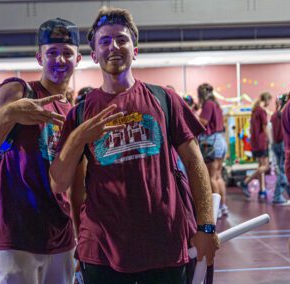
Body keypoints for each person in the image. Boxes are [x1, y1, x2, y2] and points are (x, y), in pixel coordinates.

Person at [50, 7, 219, 283]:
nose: (113, 46)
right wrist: (79, 137)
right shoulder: (79, 114)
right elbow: (59, 184)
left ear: (135, 50)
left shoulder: (164, 99)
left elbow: (194, 162)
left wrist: (207, 227)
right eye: (104, 41)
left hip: (164, 246)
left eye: (121, 39)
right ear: (93, 55)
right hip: (102, 253)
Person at [0, 18, 81, 283]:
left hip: (59, 231)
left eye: (67, 53)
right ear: (39, 57)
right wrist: (11, 111)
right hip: (14, 229)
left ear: (78, 59)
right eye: (52, 53)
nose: (59, 60)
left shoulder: (72, 111)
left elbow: (75, 182)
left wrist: (80, 232)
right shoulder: (17, 90)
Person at [197, 83, 229, 217]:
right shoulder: (216, 104)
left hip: (212, 142)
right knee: (218, 176)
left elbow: (203, 121)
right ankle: (223, 207)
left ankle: (217, 209)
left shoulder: (208, 104)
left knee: (211, 178)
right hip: (220, 140)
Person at [240, 92, 272, 201]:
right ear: (266, 100)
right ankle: (245, 182)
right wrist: (271, 140)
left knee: (260, 166)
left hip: (255, 142)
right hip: (262, 141)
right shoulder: (262, 112)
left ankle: (262, 190)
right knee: (266, 167)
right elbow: (265, 127)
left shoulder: (254, 111)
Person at [272, 94, 290, 205]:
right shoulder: (282, 112)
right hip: (282, 144)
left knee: (282, 170)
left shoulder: (276, 114)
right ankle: (277, 196)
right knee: (282, 172)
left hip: (278, 144)